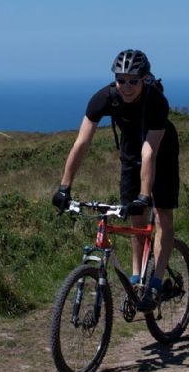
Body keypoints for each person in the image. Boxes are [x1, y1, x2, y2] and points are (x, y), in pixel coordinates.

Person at [52, 49, 181, 303]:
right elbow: (81, 143)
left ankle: (155, 284)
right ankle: (136, 277)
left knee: (161, 212)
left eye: (134, 80)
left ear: (145, 79)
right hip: (131, 150)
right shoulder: (104, 99)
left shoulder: (156, 102)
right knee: (135, 217)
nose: (127, 86)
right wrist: (64, 187)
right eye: (121, 79)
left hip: (161, 151)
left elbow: (150, 153)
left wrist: (145, 195)